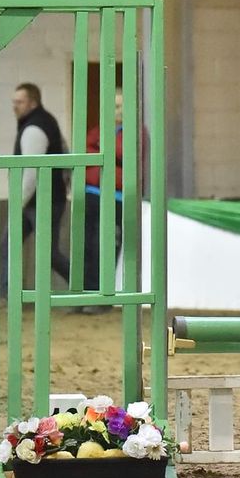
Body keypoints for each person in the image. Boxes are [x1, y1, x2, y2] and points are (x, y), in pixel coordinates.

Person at [0, 83, 71, 294]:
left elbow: (31, 172)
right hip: (46, 199)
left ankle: (86, 287)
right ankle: (4, 294)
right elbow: (66, 153)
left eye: (19, 102)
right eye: (14, 102)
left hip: (39, 201)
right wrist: (64, 181)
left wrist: (17, 203)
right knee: (10, 246)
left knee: (46, 253)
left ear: (33, 102)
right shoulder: (46, 121)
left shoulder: (33, 128)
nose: (15, 106)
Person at [80, 88, 142, 312]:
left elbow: (126, 154)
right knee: (86, 246)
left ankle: (102, 298)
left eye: (120, 106)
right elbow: (85, 149)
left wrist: (102, 151)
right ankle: (85, 295)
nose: (116, 111)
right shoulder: (101, 130)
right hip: (92, 194)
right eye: (113, 106)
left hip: (116, 199)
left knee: (103, 247)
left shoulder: (136, 132)